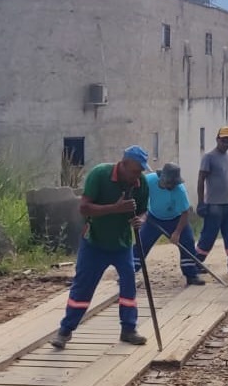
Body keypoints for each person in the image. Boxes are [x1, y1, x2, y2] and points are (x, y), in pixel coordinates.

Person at [50, 146, 151, 349]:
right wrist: (115, 208)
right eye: (134, 171)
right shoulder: (100, 174)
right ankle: (65, 330)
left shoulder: (142, 184)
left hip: (121, 244)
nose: (137, 175)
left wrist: (140, 220)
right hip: (94, 242)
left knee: (129, 284)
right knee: (83, 287)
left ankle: (129, 329)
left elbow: (143, 211)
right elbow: (84, 208)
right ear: (123, 164)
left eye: (140, 171)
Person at [135, 162, 204, 286]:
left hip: (176, 219)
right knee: (140, 244)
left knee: (187, 243)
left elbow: (185, 212)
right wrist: (142, 214)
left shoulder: (179, 191)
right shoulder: (148, 181)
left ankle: (191, 275)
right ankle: (129, 273)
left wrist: (177, 233)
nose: (172, 186)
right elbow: (139, 195)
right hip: (153, 218)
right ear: (162, 178)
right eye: (169, 183)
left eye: (174, 183)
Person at [196, 126, 228, 275]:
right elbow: (201, 179)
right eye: (223, 140)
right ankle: (195, 263)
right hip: (214, 205)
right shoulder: (209, 157)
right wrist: (201, 202)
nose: (225, 143)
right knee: (208, 236)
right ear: (217, 139)